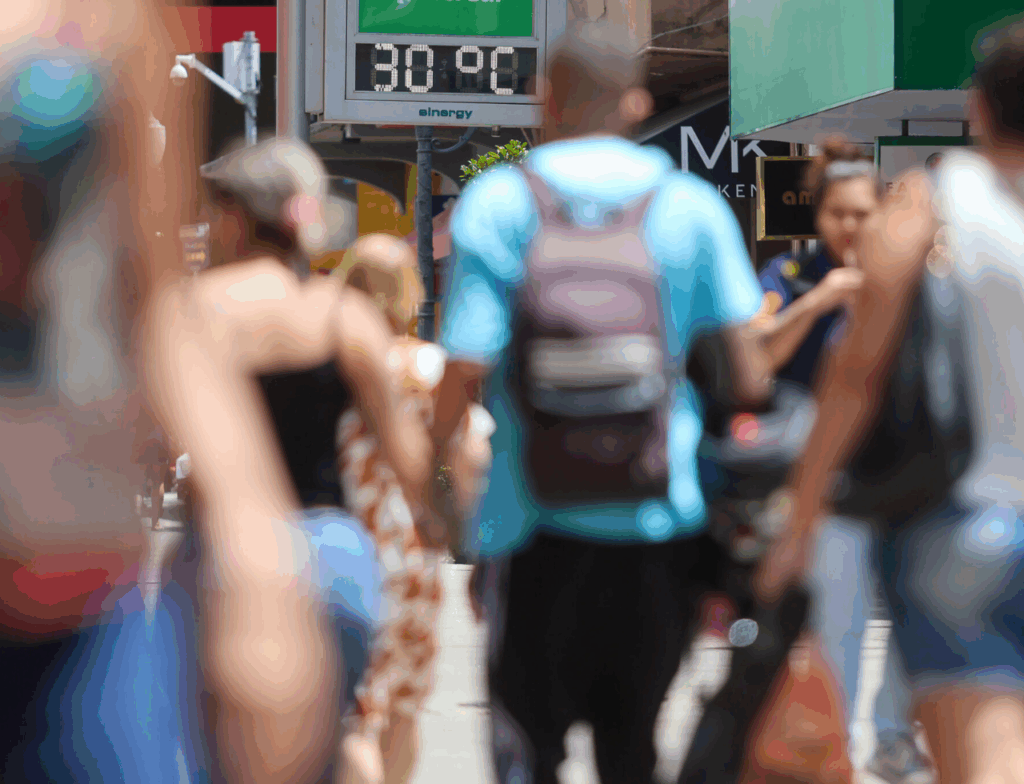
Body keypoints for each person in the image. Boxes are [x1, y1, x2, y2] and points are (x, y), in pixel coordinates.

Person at [431, 20, 773, 784]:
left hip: (529, 527)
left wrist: (436, 481)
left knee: (528, 752)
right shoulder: (689, 207)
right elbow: (749, 375)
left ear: (543, 100)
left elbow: (464, 368)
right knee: (634, 751)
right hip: (661, 525)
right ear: (636, 101)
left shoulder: (498, 204)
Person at [756, 16, 1024, 784]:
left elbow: (857, 370)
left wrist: (800, 517)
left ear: (978, 108)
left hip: (967, 521)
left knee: (985, 756)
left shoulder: (935, 198)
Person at [152, 136, 433, 784]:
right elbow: (412, 464)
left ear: (230, 217)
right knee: (339, 741)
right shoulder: (344, 315)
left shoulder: (192, 311)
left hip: (225, 562)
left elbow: (150, 445)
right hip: (337, 562)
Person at [756, 140, 934, 784]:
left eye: (862, 214)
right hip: (820, 475)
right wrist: (820, 301)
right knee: (841, 615)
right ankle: (831, 747)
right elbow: (757, 359)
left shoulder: (912, 275)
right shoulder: (792, 275)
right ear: (818, 214)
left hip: (903, 471)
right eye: (837, 213)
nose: (850, 227)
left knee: (911, 607)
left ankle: (892, 737)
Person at [330, 233, 497, 784]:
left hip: (345, 547)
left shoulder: (331, 364)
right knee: (404, 704)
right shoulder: (429, 366)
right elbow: (470, 454)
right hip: (415, 555)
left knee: (356, 717)